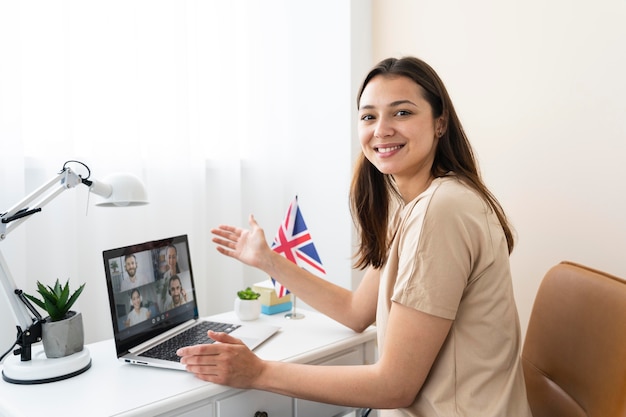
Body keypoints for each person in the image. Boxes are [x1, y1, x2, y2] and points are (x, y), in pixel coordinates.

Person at [177, 56, 532, 416]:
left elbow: (394, 386)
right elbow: (356, 312)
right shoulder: (421, 206)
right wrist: (267, 260)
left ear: (440, 123)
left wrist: (258, 371)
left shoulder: (441, 210)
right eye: (368, 116)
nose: (381, 129)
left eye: (402, 113)